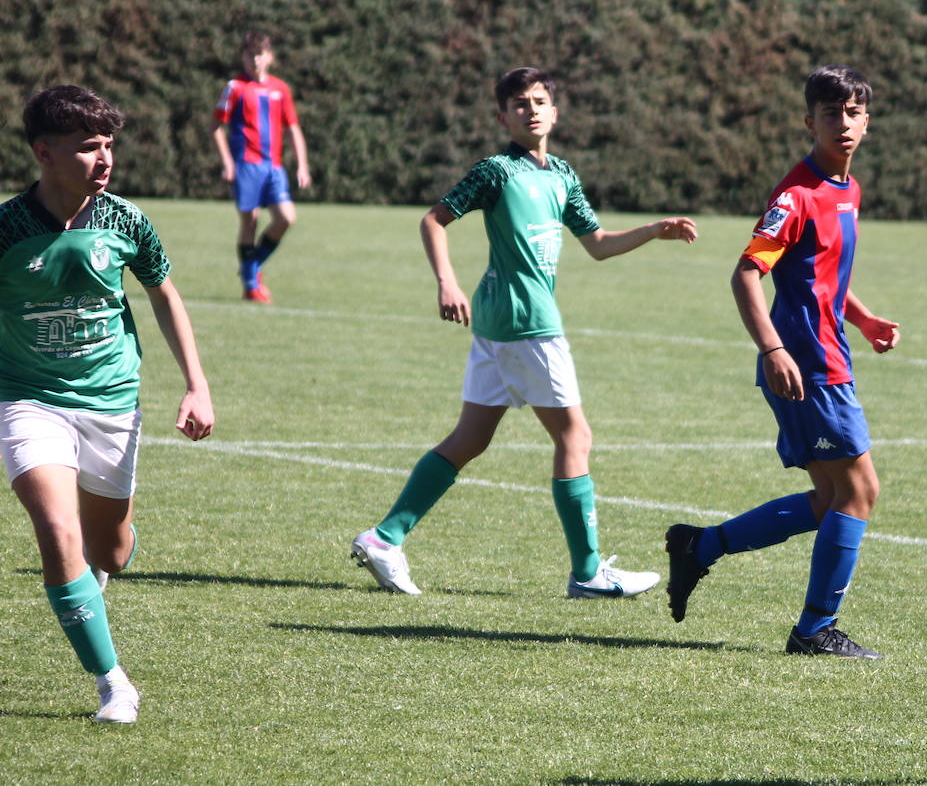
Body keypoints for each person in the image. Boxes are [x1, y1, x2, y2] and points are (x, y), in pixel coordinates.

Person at [351, 67, 696, 599]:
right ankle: (588, 574)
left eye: (540, 101)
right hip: (526, 322)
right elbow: (434, 220)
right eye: (519, 103)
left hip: (499, 326)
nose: (531, 109)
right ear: (502, 116)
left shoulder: (562, 175)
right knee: (574, 437)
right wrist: (447, 282)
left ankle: (384, 537)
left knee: (471, 438)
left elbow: (598, 243)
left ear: (555, 112)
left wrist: (654, 230)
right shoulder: (496, 171)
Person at [665, 64, 899, 658]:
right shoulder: (796, 195)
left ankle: (701, 548)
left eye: (853, 113)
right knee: (860, 492)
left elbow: (820, 274)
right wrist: (772, 348)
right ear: (809, 121)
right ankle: (814, 630)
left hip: (828, 352)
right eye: (830, 114)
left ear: (867, 122)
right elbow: (747, 273)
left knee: (830, 500)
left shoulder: (848, 190)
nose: (842, 124)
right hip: (806, 364)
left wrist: (863, 317)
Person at [4, 86, 215, 723]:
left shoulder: (125, 220)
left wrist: (196, 383)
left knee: (111, 551)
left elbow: (164, 295)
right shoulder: (8, 227)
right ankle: (113, 683)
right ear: (44, 153)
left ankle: (108, 558)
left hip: (111, 400)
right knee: (57, 531)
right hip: (27, 398)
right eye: (88, 147)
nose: (105, 159)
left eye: (109, 145)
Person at [212, 30, 311, 303]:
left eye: (259, 54)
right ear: (242, 57)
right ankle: (250, 286)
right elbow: (215, 128)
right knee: (250, 221)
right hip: (246, 165)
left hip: (273, 167)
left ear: (269, 57)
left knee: (286, 218)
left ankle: (252, 266)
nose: (254, 60)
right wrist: (227, 162)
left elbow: (293, 129)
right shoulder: (235, 87)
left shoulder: (281, 89)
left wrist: (302, 164)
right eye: (248, 55)